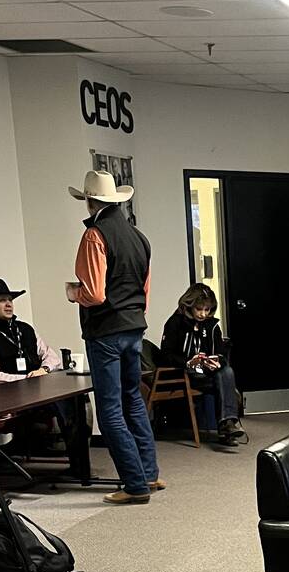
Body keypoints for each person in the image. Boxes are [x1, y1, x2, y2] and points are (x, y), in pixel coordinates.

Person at [65, 170, 161, 505]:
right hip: (135, 326)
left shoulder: (95, 235)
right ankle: (149, 473)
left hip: (105, 331)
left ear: (90, 201)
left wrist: (72, 292)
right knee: (133, 399)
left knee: (109, 410)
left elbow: (94, 293)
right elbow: (144, 291)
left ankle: (135, 485)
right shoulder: (139, 237)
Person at [159, 283, 246, 444]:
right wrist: (188, 362)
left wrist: (216, 361)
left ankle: (227, 425)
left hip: (207, 372)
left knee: (226, 372)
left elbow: (220, 353)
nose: (203, 314)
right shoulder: (175, 323)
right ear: (190, 306)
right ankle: (227, 428)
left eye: (207, 309)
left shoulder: (212, 325)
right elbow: (165, 355)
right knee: (225, 382)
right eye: (199, 309)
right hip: (185, 373)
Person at [0, 278, 62, 383]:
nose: (9, 304)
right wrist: (27, 378)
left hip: (39, 386)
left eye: (10, 300)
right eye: (2, 300)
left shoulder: (26, 328)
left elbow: (52, 357)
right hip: (10, 395)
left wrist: (44, 369)